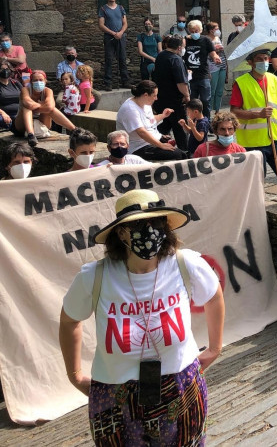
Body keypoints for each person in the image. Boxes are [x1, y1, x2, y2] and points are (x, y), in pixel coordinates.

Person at [59, 189, 223, 445]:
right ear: (121, 232)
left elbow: (213, 296)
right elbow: (70, 321)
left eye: (156, 222)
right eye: (137, 224)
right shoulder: (94, 277)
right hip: (114, 397)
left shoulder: (186, 264)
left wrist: (214, 348)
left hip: (180, 385)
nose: (149, 230)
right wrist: (75, 374)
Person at [229, 49, 277, 186]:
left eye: (266, 58)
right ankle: (259, 206)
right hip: (252, 141)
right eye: (259, 59)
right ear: (250, 62)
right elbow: (234, 112)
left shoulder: (272, 78)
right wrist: (257, 115)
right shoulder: (241, 82)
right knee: (258, 179)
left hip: (274, 137)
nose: (264, 62)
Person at [116, 80, 187, 161]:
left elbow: (150, 120)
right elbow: (141, 132)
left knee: (179, 149)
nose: (156, 98)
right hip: (138, 147)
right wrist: (161, 145)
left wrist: (163, 115)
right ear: (145, 95)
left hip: (150, 140)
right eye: (154, 96)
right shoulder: (130, 109)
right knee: (178, 154)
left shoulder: (145, 103)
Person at [16, 69, 76, 147]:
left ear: (45, 81)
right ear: (31, 82)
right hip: (22, 124)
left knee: (52, 109)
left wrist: (38, 106)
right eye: (35, 80)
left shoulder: (48, 91)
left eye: (40, 80)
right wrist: (42, 105)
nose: (38, 82)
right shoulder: (25, 90)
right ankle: (31, 135)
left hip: (43, 120)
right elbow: (28, 103)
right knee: (26, 108)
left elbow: (50, 107)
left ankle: (74, 130)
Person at [152, 35, 191, 151]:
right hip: (175, 99)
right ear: (179, 48)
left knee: (166, 123)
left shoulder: (160, 56)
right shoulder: (176, 59)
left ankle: (155, 143)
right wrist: (187, 95)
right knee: (180, 126)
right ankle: (185, 150)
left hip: (161, 97)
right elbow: (181, 82)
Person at [183, 19, 220, 118]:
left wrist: (215, 57)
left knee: (205, 100)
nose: (194, 33)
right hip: (190, 76)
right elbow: (181, 54)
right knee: (192, 102)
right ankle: (193, 122)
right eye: (192, 31)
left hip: (203, 75)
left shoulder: (206, 40)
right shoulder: (185, 40)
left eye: (196, 31)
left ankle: (207, 121)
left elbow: (212, 52)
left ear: (201, 30)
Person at [97, 0, 130, 90]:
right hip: (109, 38)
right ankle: (108, 83)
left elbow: (125, 23)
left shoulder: (120, 8)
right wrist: (113, 33)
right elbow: (101, 25)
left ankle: (125, 82)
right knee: (109, 60)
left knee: (122, 59)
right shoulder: (103, 9)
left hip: (121, 37)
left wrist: (120, 33)